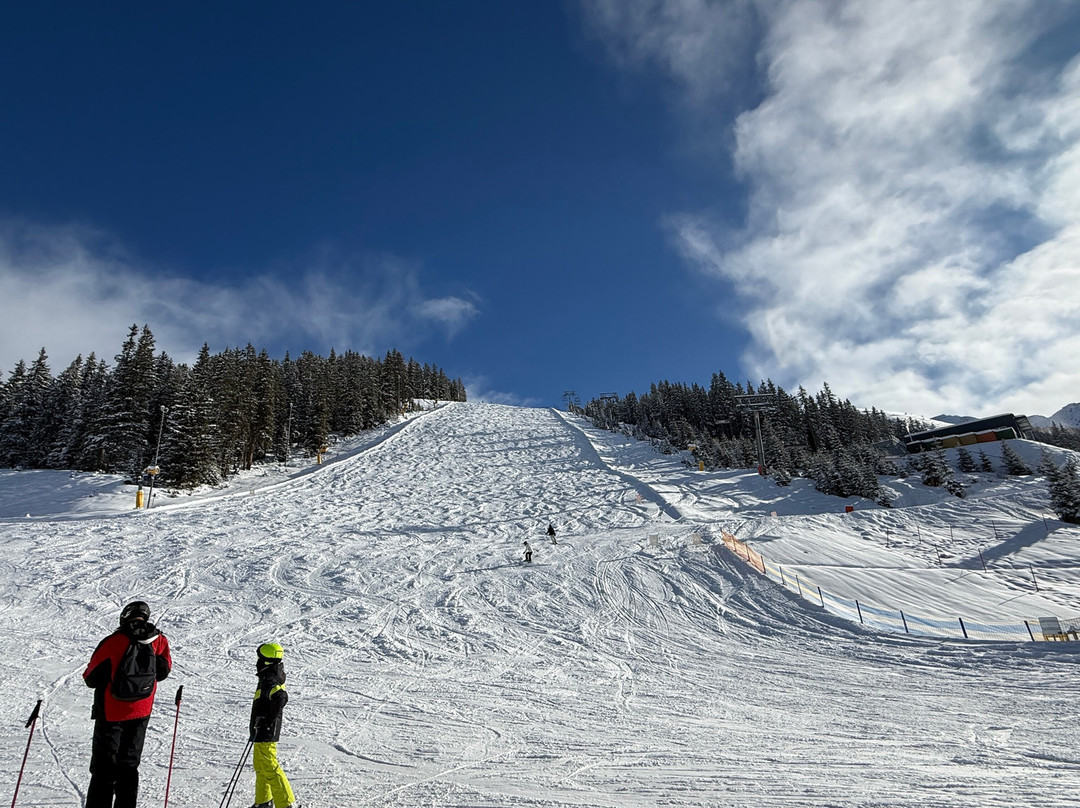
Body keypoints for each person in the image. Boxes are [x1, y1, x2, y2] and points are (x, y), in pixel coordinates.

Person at [83, 600, 172, 808]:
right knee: (129, 766)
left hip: (111, 712)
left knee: (103, 768)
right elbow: (163, 672)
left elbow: (90, 678)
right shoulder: (159, 640)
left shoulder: (114, 641)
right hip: (141, 712)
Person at [249, 642, 300, 808]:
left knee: (270, 766)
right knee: (261, 766)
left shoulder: (269, 679)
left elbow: (281, 697)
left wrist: (267, 721)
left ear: (265, 661)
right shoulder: (270, 675)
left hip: (266, 730)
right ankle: (263, 801)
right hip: (261, 729)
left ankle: (286, 804)